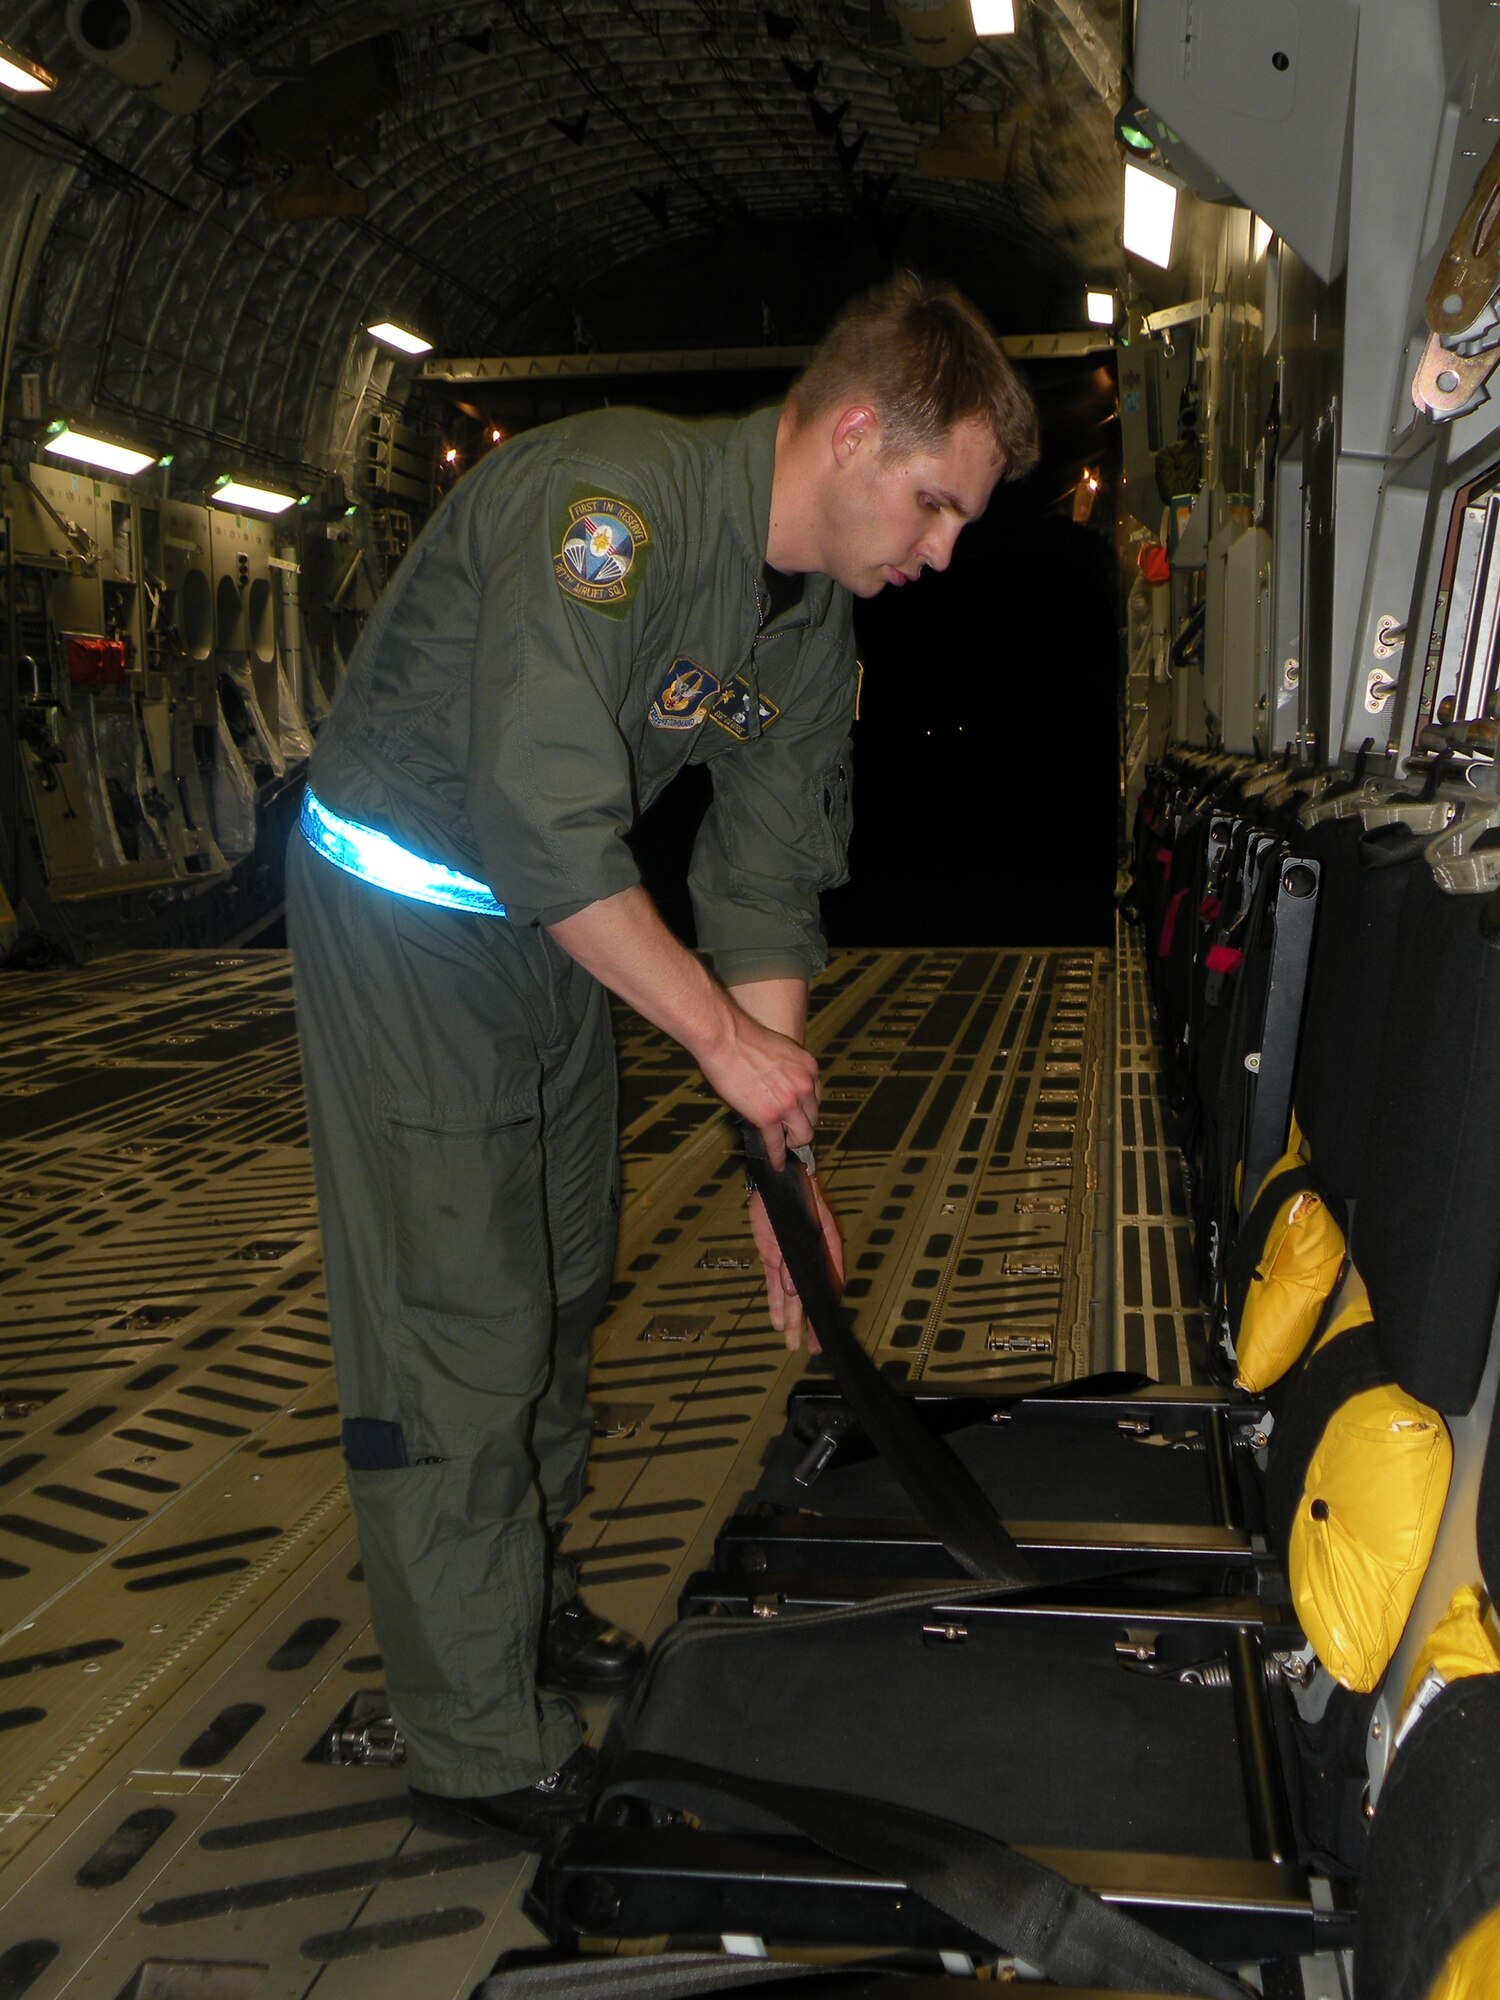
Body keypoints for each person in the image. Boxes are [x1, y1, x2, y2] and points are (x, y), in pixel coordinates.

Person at [285, 270, 1039, 1840]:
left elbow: (762, 889)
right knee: (463, 1322)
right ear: (849, 435)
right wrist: (717, 1050)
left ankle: (524, 1602)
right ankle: (475, 1739)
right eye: (933, 504)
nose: (942, 551)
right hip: (410, 907)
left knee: (561, 1281)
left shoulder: (814, 624)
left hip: (559, 925)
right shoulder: (608, 512)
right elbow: (544, 820)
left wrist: (783, 1171)